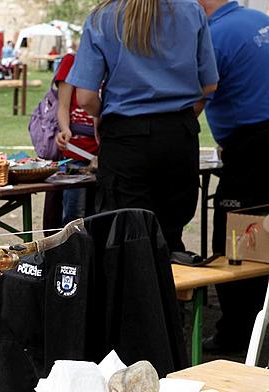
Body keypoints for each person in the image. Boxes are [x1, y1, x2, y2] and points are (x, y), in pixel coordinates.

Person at [66, 0, 219, 253]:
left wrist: (102, 116)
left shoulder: (104, 17)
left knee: (127, 240)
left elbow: (85, 97)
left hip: (126, 138)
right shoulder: (191, 10)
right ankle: (172, 289)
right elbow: (209, 84)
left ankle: (135, 290)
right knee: (170, 236)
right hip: (178, 135)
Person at [197, 0, 269, 352]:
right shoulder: (258, 19)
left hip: (253, 146)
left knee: (235, 240)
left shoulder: (214, 35)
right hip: (253, 141)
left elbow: (195, 95)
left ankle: (238, 333)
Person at [54, 52, 99, 224]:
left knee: (99, 214)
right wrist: (65, 130)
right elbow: (63, 106)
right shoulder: (71, 61)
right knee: (74, 216)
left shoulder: (112, 59)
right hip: (76, 152)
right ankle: (72, 250)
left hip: (106, 153)